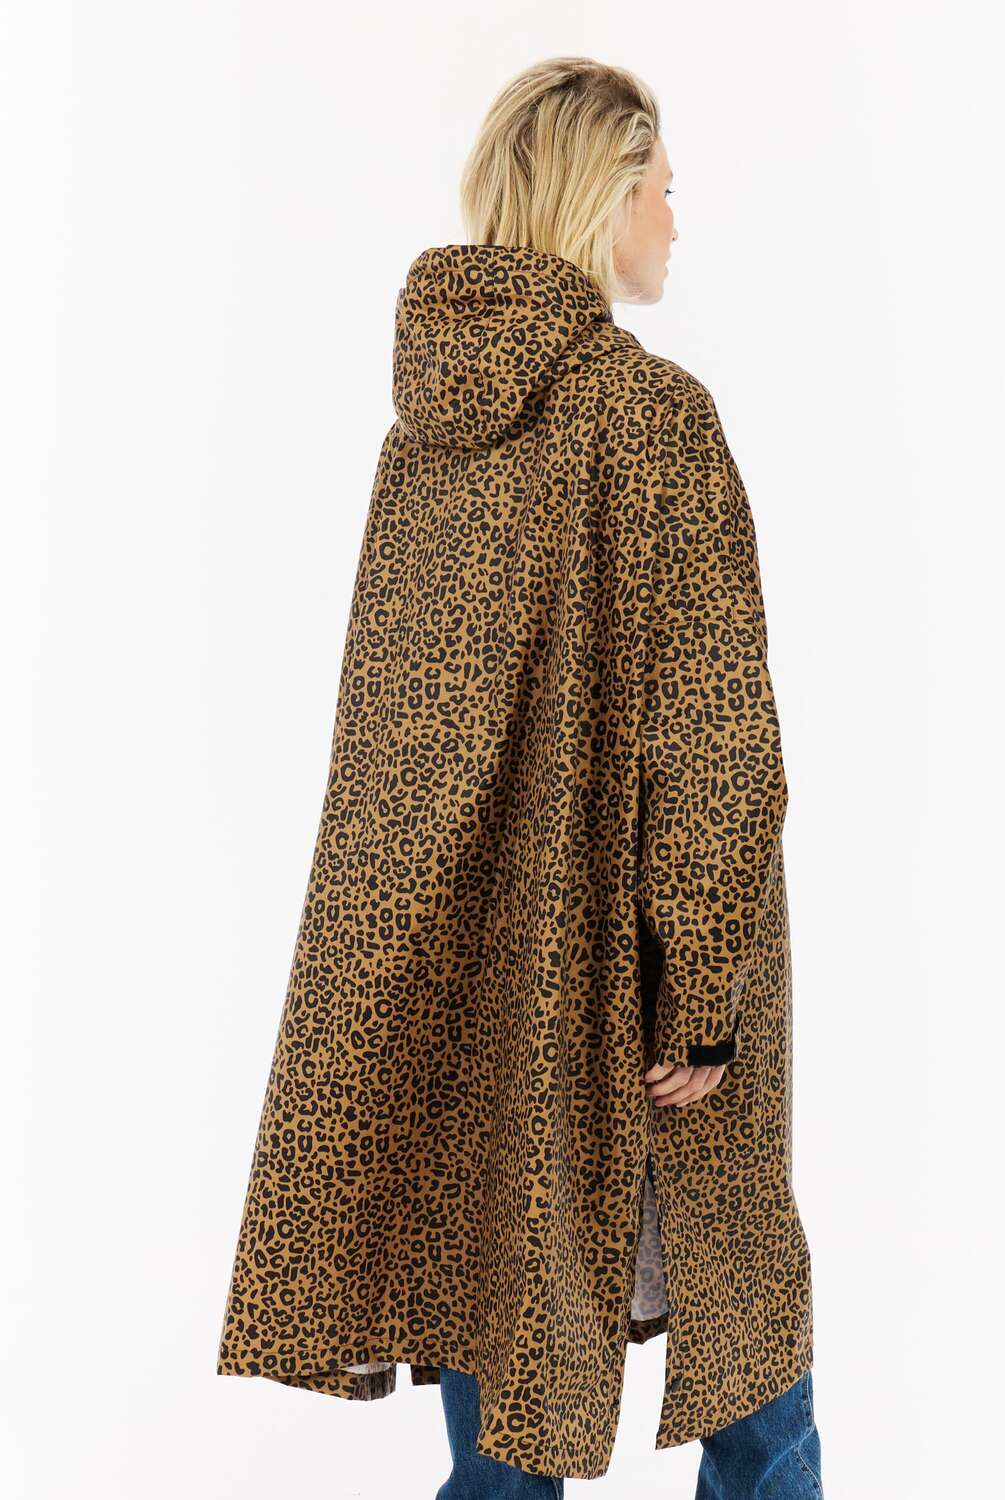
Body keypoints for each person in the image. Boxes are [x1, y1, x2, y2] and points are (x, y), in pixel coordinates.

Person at [217, 56, 821, 1497]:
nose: (675, 218)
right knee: (751, 1376)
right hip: (636, 986)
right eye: (660, 187)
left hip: (475, 996)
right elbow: (716, 737)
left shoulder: (423, 439)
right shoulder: (651, 416)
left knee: (501, 1404)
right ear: (602, 197)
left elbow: (392, 749)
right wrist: (704, 995)